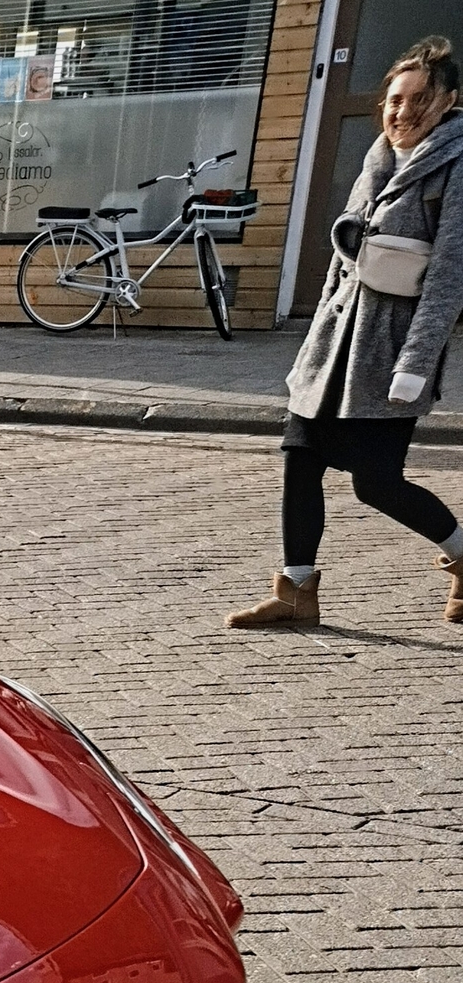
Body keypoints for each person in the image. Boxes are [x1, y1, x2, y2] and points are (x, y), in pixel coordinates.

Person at [232, 37, 463, 628]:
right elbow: (347, 254)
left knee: (377, 484)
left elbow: (448, 276)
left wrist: (416, 361)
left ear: (449, 101)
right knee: (300, 459)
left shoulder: (456, 163)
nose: (401, 112)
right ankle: (295, 592)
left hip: (389, 348)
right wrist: (317, 332)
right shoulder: (377, 157)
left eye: (417, 100)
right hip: (336, 341)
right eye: (393, 100)